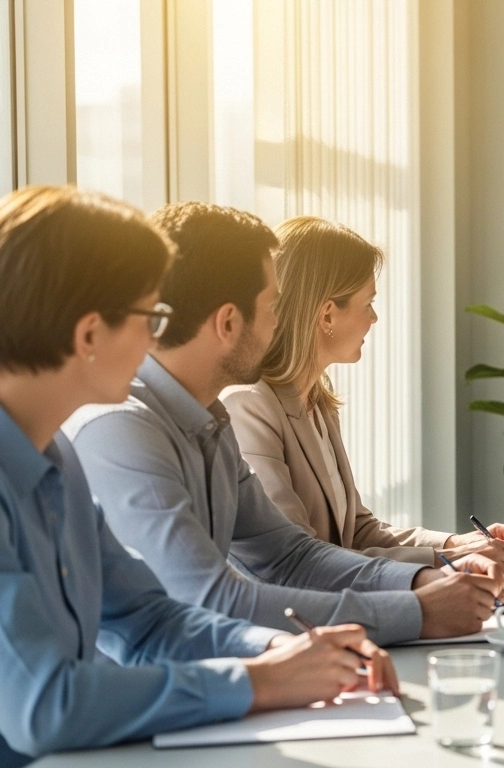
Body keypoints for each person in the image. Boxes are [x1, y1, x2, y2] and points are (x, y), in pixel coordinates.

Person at [0, 186, 397, 768]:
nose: (160, 337)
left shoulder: (57, 459)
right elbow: (45, 706)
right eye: (151, 317)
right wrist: (259, 681)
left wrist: (286, 649)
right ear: (88, 336)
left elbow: (148, 619)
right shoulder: (88, 442)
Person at [64, 202, 503, 646]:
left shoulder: (210, 421)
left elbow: (289, 556)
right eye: (272, 306)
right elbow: (211, 600)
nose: (280, 323)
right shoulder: (122, 429)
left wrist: (423, 580)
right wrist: (417, 611)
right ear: (228, 322)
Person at [222, 216, 504, 567]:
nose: (374, 318)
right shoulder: (250, 408)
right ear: (327, 315)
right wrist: (447, 559)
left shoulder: (317, 402)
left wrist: (458, 542)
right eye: (368, 303)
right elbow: (297, 559)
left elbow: (357, 529)